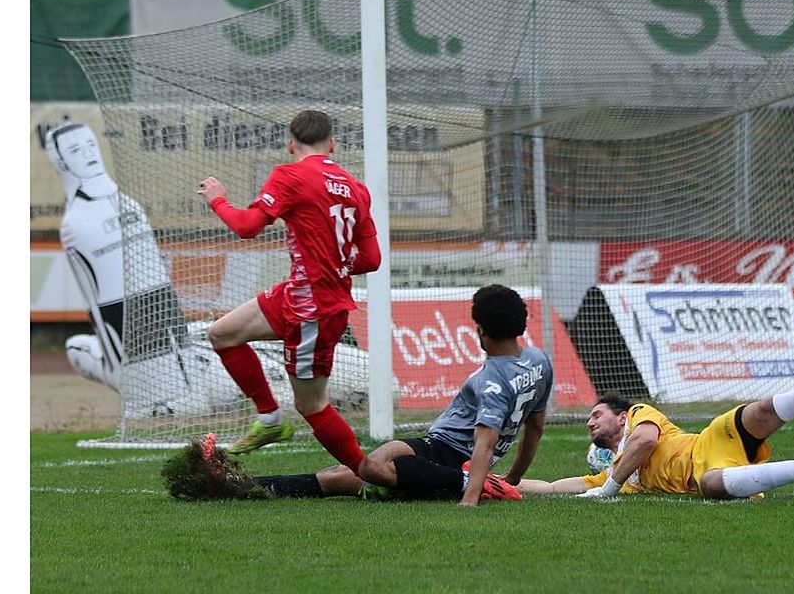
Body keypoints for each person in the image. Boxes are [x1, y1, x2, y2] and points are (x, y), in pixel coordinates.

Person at [164, 284, 552, 507]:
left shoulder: (493, 381)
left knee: (367, 468)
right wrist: (514, 476)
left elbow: (483, 443)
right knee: (344, 476)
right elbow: (534, 427)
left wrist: (469, 496)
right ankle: (239, 487)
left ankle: (240, 487)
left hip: (450, 457)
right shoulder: (537, 361)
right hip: (446, 451)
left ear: (481, 329)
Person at [196, 110, 381, 474]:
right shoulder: (356, 188)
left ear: (290, 144)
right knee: (223, 334)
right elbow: (372, 259)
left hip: (313, 308)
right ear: (332, 144)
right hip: (300, 293)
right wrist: (339, 265)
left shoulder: (290, 174)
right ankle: (269, 418)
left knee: (312, 406)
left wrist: (218, 199)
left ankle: (370, 474)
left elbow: (248, 227)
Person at [517, 333, 794, 500]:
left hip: (711, 440)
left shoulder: (641, 416)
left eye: (596, 415)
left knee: (763, 411)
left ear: (622, 416)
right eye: (588, 421)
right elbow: (551, 487)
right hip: (704, 473)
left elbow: (646, 441)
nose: (590, 421)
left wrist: (611, 486)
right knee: (711, 485)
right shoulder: (616, 473)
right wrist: (497, 482)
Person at [45, 122, 242, 416]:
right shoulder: (77, 222)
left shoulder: (125, 203)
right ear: (61, 161)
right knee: (78, 348)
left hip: (162, 317)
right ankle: (146, 386)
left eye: (89, 145)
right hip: (125, 330)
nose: (86, 154)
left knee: (210, 359)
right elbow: (97, 304)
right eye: (75, 150)